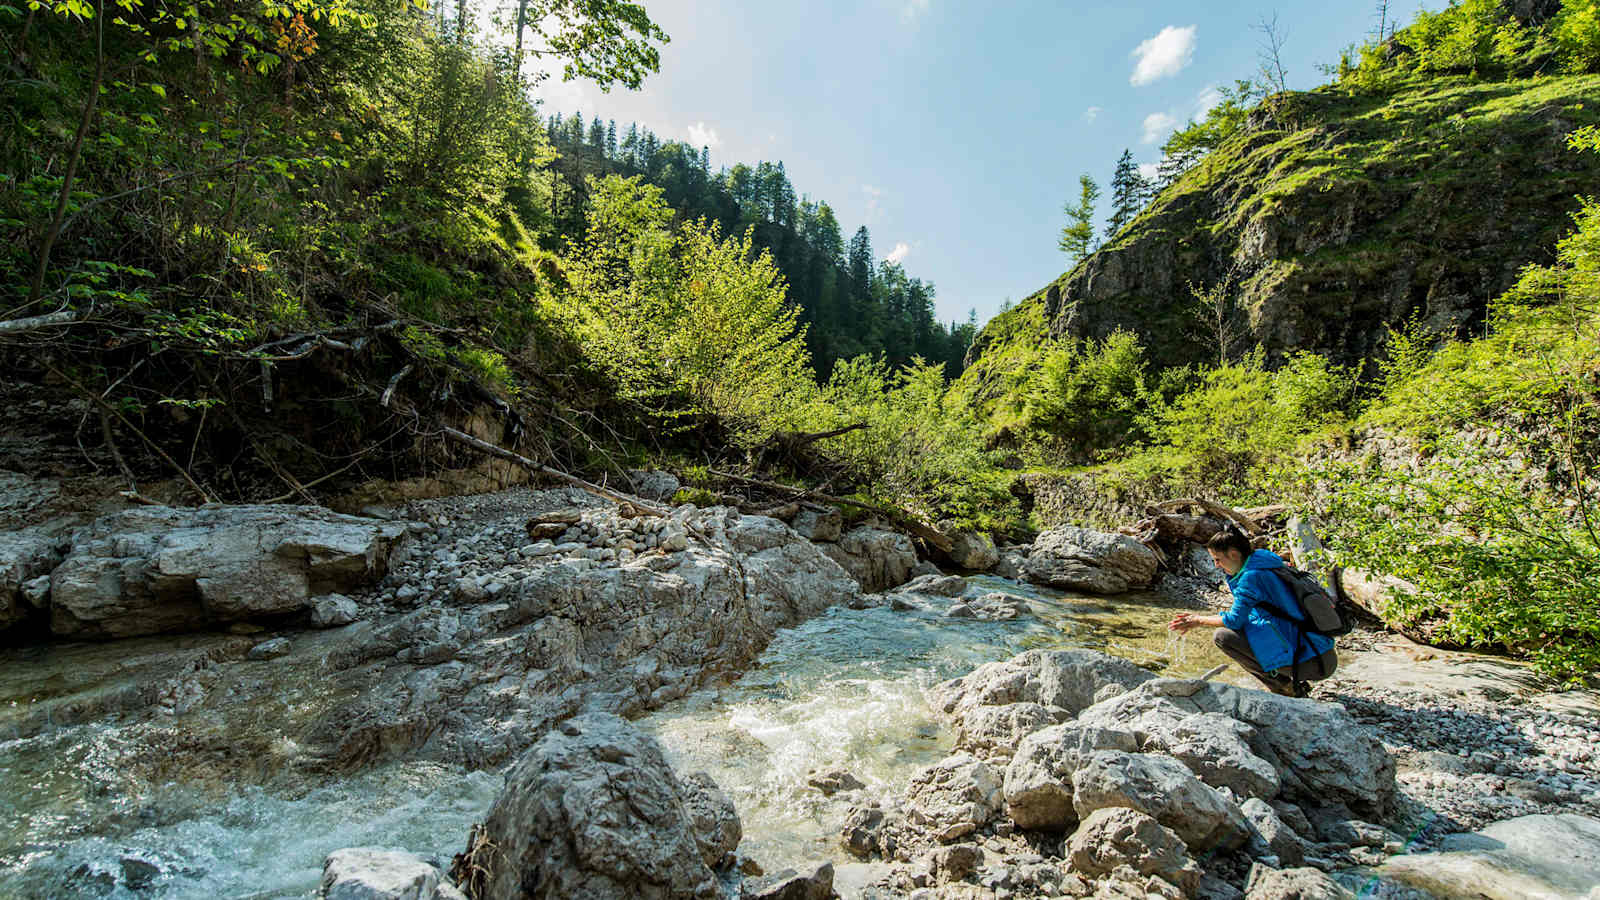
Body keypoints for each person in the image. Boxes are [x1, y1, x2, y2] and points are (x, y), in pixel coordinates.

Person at [1168, 528, 1337, 698]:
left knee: (1223, 637)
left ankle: (1285, 687)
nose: (1216, 565)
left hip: (1311, 663)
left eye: (1217, 559)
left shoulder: (1251, 577)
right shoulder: (1264, 561)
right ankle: (1290, 683)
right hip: (1323, 653)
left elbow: (1234, 621)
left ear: (1234, 554)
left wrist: (1198, 620)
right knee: (1246, 629)